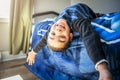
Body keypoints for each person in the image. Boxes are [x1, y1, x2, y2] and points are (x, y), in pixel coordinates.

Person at [27, 3, 112, 80]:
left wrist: (33, 52)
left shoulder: (52, 27)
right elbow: (89, 37)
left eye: (52, 34)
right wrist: (102, 68)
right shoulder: (76, 23)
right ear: (70, 36)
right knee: (91, 18)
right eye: (62, 37)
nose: (58, 31)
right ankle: (96, 15)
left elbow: (43, 40)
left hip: (70, 9)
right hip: (86, 10)